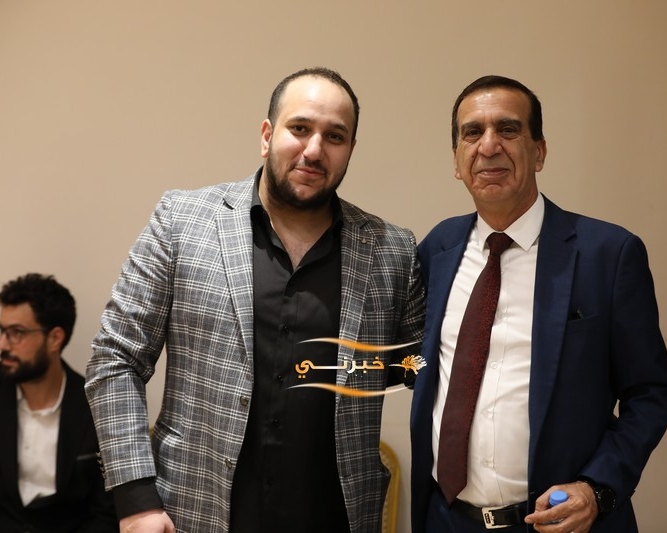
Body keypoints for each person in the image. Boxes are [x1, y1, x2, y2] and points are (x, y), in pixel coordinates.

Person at [85, 66, 425, 533]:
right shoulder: (181, 222)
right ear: (267, 135)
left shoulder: (393, 251)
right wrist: (136, 500)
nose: (314, 150)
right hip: (194, 516)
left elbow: (428, 371)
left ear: (350, 150)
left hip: (334, 520)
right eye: (299, 128)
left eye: (334, 136)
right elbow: (116, 357)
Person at [409, 75, 667, 533]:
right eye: (472, 133)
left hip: (559, 523)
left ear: (539, 152)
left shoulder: (608, 255)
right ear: (457, 160)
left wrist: (597, 487)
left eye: (508, 129)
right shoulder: (437, 249)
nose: (489, 145)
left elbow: (650, 393)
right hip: (446, 519)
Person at [0, 273, 118, 532]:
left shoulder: (97, 406)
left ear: (55, 338)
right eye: (2, 330)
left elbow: (105, 513)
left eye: (17, 333)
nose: (2, 344)